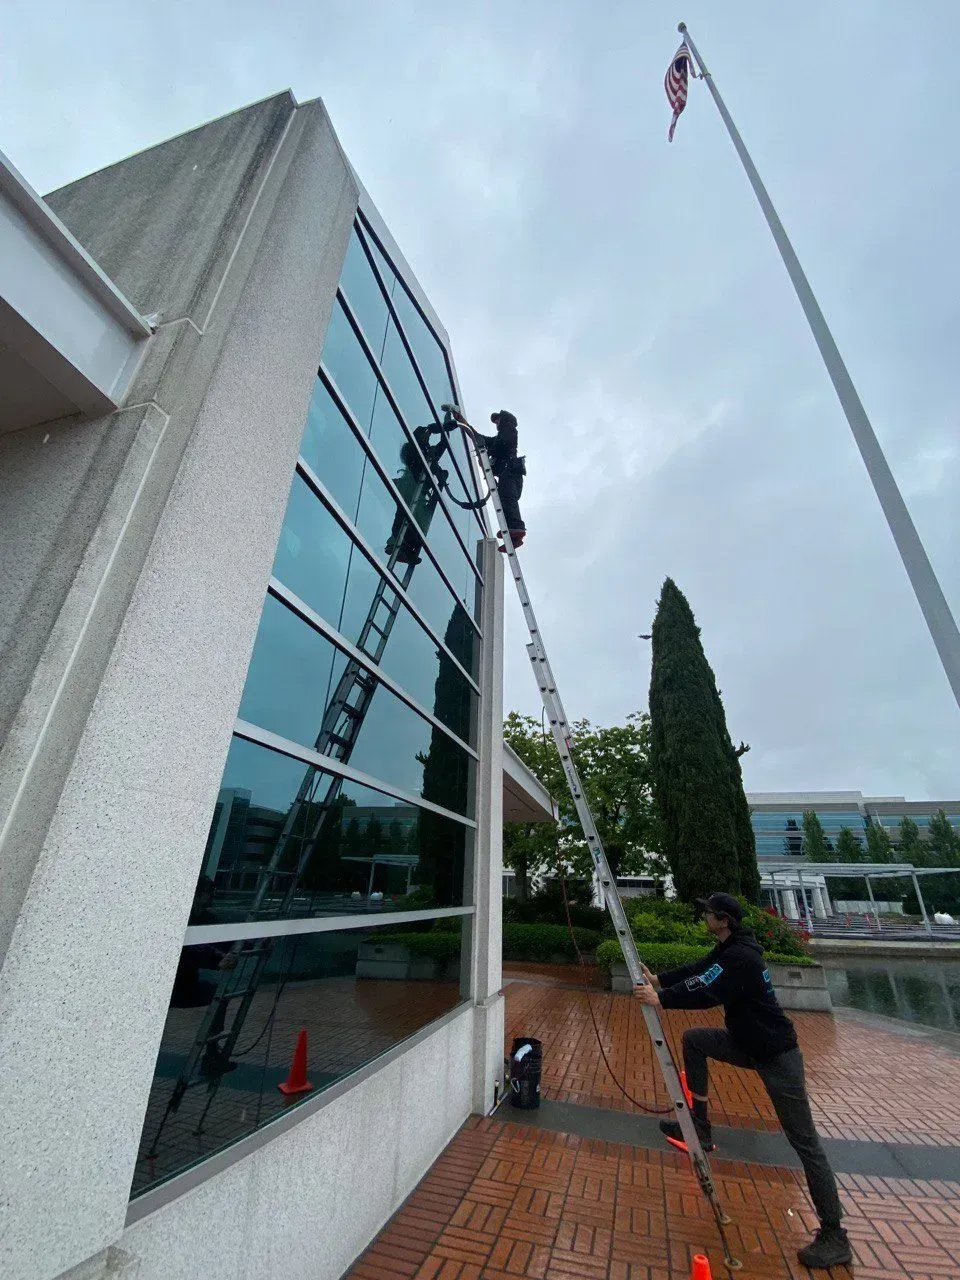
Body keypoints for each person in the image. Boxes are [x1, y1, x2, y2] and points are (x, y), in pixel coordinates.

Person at [634, 891, 851, 1271]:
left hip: (777, 1057)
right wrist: (661, 980)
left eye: (709, 914)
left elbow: (708, 993)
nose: (705, 918)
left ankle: (835, 1233)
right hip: (746, 1043)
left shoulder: (742, 957)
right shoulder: (729, 948)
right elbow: (702, 969)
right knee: (695, 1040)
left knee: (806, 1144)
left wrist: (661, 999)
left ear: (724, 919)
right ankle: (700, 1127)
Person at [462, 409, 526, 549]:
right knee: (504, 501)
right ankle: (513, 537)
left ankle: (516, 528)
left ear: (503, 419)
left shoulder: (509, 429)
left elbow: (503, 444)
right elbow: (480, 438)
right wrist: (464, 423)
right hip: (508, 472)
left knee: (508, 499)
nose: (496, 422)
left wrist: (489, 454)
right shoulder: (501, 435)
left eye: (497, 419)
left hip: (510, 471)